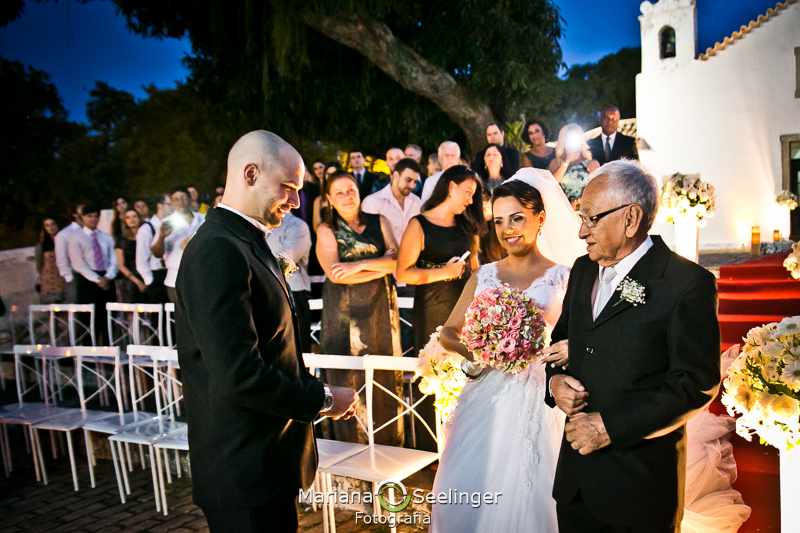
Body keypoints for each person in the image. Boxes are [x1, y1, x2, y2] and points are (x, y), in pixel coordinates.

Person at [175, 130, 359, 533]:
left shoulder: (246, 240)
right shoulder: (217, 249)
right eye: (289, 188)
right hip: (244, 469)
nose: (296, 201)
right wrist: (325, 397)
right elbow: (240, 377)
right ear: (251, 174)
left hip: (267, 463)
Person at [546, 160, 721, 533]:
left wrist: (611, 426)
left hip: (638, 488)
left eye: (591, 218)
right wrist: (555, 383)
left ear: (630, 218)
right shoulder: (581, 271)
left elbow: (696, 383)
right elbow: (561, 343)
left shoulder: (686, 283)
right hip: (575, 484)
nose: (580, 231)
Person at [430, 169, 585, 532]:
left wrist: (541, 348)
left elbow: (577, 339)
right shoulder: (483, 275)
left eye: (517, 218)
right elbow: (448, 333)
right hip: (487, 393)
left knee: (533, 489)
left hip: (540, 395)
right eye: (499, 221)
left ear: (540, 219)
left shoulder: (565, 276)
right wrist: (484, 350)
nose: (507, 229)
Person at [397, 165, 483, 450]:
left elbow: (476, 271)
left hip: (465, 311)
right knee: (433, 374)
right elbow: (403, 273)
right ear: (451, 187)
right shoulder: (418, 224)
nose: (470, 200)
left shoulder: (466, 227)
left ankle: (463, 447)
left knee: (465, 375)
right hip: (432, 308)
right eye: (468, 192)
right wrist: (443, 273)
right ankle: (430, 448)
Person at [315, 170, 402, 445]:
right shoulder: (326, 229)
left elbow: (398, 262)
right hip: (342, 312)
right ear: (328, 199)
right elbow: (334, 274)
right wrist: (379, 265)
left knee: (384, 372)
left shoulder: (380, 221)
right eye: (338, 192)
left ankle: (388, 444)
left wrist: (358, 265)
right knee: (347, 374)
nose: (346, 196)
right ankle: (349, 447)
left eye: (350, 189)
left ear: (359, 191)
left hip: (380, 310)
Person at [68, 203, 118, 345]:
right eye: (89, 216)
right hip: (88, 280)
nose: (93, 219)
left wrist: (108, 277)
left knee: (107, 317)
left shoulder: (106, 237)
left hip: (106, 277)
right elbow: (78, 263)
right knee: (88, 319)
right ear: (83, 217)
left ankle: (109, 353)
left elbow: (113, 259)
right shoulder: (76, 237)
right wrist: (96, 279)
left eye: (96, 216)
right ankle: (89, 358)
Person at [266, 211, 313, 353]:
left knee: (292, 356)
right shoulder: (253, 224)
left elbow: (284, 262)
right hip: (262, 296)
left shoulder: (297, 226)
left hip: (292, 297)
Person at [151, 187, 205, 303]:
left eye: (183, 198)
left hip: (201, 276)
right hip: (175, 278)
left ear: (190, 199)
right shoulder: (166, 223)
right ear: (171, 202)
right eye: (176, 199)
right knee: (180, 317)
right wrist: (161, 237)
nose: (180, 202)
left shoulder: (204, 220)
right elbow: (157, 253)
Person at [361, 158, 423, 246]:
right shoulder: (373, 202)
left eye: (415, 182)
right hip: (385, 257)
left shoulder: (416, 201)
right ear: (396, 176)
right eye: (408, 180)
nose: (412, 186)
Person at [549, 124, 600, 210]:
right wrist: (567, 161)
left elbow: (599, 191)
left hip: (586, 210)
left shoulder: (592, 164)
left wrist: (577, 201)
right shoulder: (556, 163)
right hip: (563, 210)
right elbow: (550, 185)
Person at [136, 193, 172, 305]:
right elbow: (141, 258)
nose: (173, 208)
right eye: (169, 204)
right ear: (160, 206)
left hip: (171, 273)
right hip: (156, 276)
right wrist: (149, 281)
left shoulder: (173, 226)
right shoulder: (147, 228)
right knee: (159, 317)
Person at [115, 209, 147, 303]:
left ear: (139, 218)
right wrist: (138, 282)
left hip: (147, 277)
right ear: (125, 220)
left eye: (134, 216)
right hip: (130, 280)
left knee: (151, 310)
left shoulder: (146, 235)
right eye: (128, 217)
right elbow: (121, 266)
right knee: (132, 312)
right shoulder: (121, 239)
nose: (131, 219)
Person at [55, 203, 84, 303]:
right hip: (76, 277)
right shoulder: (65, 234)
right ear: (74, 214)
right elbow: (61, 258)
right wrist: (69, 278)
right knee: (76, 309)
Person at [35, 218, 66, 304]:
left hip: (64, 279)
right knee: (52, 309)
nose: (51, 227)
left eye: (53, 224)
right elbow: (39, 264)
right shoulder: (42, 245)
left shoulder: (65, 241)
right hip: (49, 282)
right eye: (47, 225)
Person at [477, 189, 506, 265]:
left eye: (486, 208)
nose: (484, 213)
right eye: (480, 211)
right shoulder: (477, 225)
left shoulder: (502, 220)